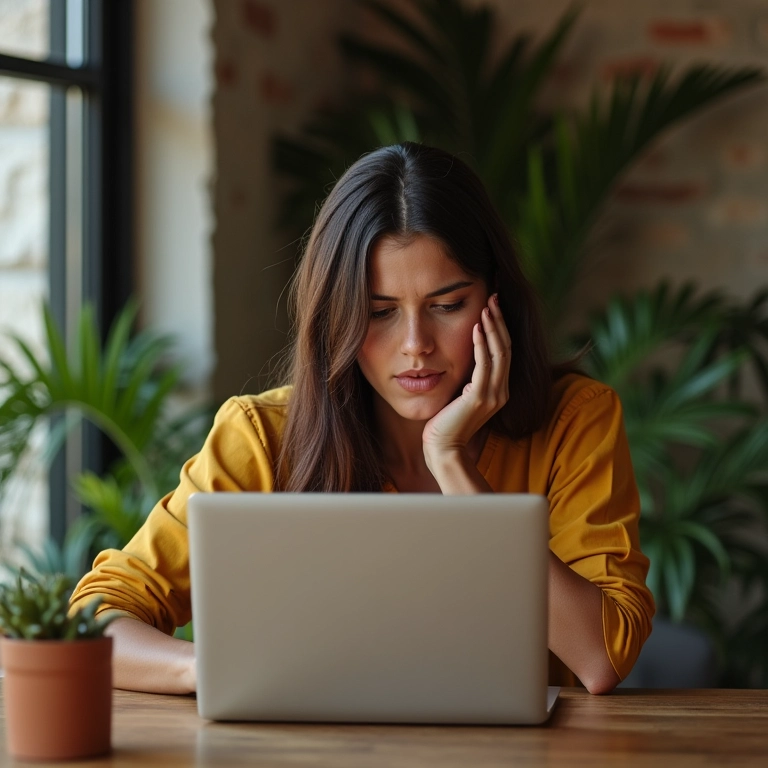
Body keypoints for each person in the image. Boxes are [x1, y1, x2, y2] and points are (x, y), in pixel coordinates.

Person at [70, 142, 654, 696]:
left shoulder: (575, 420)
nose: (416, 345)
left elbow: (599, 659)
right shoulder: (261, 436)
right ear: (335, 317)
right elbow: (95, 617)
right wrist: (215, 669)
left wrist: (453, 466)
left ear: (495, 298)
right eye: (379, 313)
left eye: (447, 305)